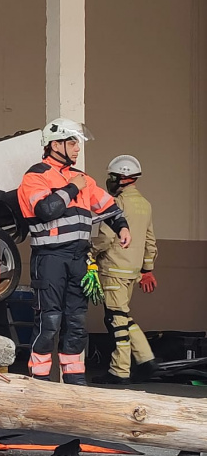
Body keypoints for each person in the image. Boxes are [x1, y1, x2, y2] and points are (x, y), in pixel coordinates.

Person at [17, 118, 131, 385]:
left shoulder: (82, 178)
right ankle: (39, 382)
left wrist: (122, 226)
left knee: (76, 322)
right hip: (50, 258)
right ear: (55, 145)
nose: (77, 148)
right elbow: (46, 210)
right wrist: (72, 188)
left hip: (79, 258)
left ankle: (75, 381)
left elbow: (107, 206)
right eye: (72, 142)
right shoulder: (35, 177)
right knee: (49, 321)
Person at [91, 155, 159, 385]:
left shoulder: (117, 204)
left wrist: (89, 253)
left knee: (116, 319)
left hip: (114, 268)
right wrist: (147, 269)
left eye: (112, 176)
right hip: (132, 271)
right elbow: (150, 241)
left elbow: (106, 237)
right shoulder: (145, 204)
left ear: (122, 178)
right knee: (122, 315)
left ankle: (119, 370)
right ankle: (146, 358)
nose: (109, 180)